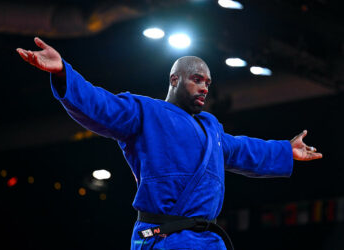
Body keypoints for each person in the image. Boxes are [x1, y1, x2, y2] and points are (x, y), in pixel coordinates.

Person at [17, 37, 322, 250]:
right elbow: (101, 105)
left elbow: (244, 149)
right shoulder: (146, 112)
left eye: (208, 83)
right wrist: (62, 72)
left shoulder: (211, 129)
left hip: (208, 242)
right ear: (175, 79)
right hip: (164, 237)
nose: (204, 87)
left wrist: (285, 149)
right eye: (197, 79)